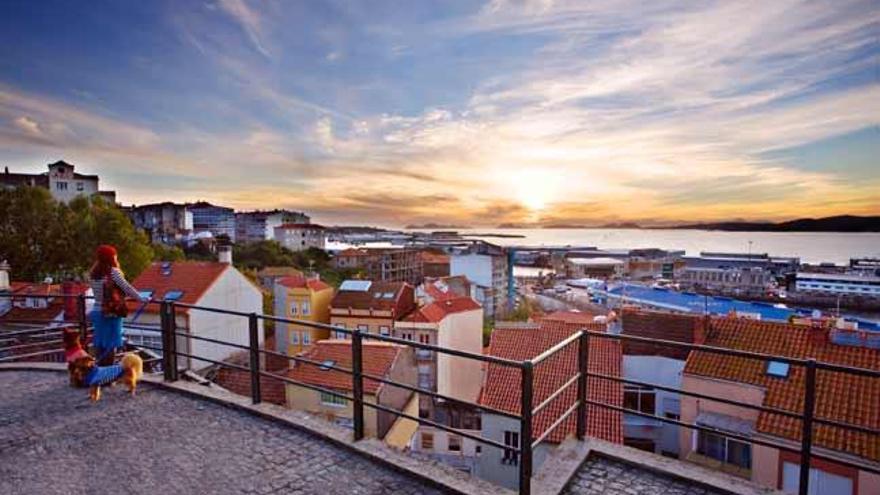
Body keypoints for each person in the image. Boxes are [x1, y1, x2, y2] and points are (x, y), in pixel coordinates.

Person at [88, 245, 144, 366]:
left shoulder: (94, 274)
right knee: (111, 345)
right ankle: (108, 374)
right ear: (111, 258)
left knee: (101, 344)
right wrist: (141, 298)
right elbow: (126, 287)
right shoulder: (113, 272)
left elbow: (100, 294)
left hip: (97, 312)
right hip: (111, 313)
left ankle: (100, 372)